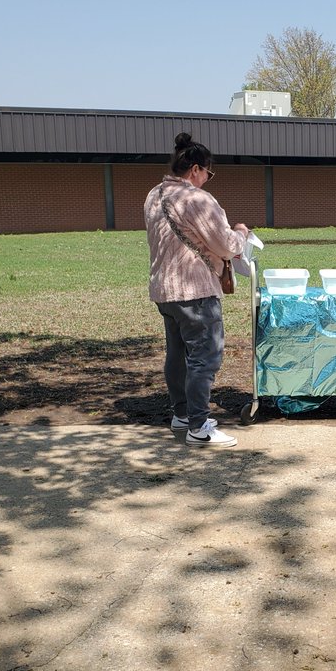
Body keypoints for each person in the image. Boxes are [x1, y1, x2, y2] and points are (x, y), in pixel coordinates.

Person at [144, 132, 249, 448]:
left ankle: (182, 414)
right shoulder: (197, 200)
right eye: (208, 172)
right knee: (205, 356)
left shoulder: (153, 195)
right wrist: (242, 233)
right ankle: (199, 426)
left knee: (177, 355)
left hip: (165, 290)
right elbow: (227, 245)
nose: (207, 179)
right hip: (195, 290)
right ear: (195, 170)